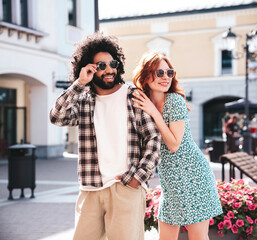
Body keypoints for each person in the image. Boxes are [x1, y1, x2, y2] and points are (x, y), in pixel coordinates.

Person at [49, 33, 161, 240]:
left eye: (113, 64)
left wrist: (139, 177)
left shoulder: (133, 96)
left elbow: (153, 139)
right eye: (101, 66)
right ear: (89, 68)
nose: (110, 69)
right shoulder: (83, 100)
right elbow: (57, 117)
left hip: (126, 186)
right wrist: (79, 84)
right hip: (90, 188)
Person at [132, 52, 222, 240]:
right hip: (170, 181)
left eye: (169, 72)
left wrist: (154, 113)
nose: (165, 77)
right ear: (146, 76)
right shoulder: (142, 104)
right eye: (159, 73)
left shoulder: (174, 101)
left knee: (198, 238)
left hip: (194, 176)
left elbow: (173, 145)